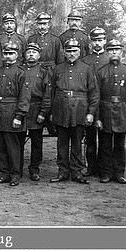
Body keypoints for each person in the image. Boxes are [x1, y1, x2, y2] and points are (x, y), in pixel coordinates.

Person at [50, 38, 99, 185]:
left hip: (79, 109)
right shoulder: (57, 69)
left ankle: (77, 172)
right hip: (61, 108)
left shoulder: (87, 69)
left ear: (79, 51)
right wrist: (52, 112)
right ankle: (63, 171)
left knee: (77, 142)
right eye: (69, 51)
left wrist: (90, 113)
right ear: (64, 52)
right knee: (62, 143)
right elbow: (52, 91)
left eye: (74, 51)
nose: (71, 53)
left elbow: (94, 93)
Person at [95, 39, 126, 184]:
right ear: (107, 52)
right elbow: (95, 97)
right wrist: (97, 117)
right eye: (111, 50)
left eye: (117, 50)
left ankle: (119, 173)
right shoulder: (101, 72)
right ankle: (105, 173)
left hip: (123, 111)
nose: (114, 52)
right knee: (104, 144)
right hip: (105, 110)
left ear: (121, 52)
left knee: (120, 146)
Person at [0, 42, 30, 187]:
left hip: (12, 113)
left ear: (17, 55)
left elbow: (24, 96)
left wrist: (19, 116)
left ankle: (15, 175)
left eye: (11, 53)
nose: (8, 56)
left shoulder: (21, 72)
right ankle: (4, 173)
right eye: (6, 53)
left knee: (13, 147)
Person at [19, 42, 52, 181]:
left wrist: (42, 113)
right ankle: (17, 168)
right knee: (18, 141)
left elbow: (47, 95)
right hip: (21, 109)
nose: (31, 54)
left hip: (36, 108)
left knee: (36, 143)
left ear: (39, 55)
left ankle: (34, 169)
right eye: (28, 52)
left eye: (34, 52)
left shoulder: (44, 72)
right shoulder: (20, 70)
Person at [80, 27, 110, 177]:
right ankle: (91, 168)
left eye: (100, 40)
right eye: (94, 40)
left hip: (105, 104)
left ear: (105, 41)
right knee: (90, 140)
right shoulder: (85, 61)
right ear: (90, 42)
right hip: (89, 104)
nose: (97, 43)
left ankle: (105, 170)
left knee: (105, 139)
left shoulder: (110, 60)